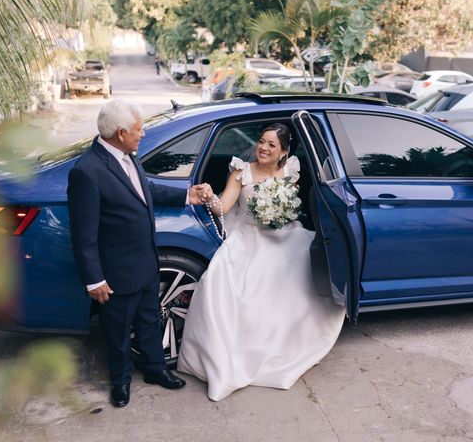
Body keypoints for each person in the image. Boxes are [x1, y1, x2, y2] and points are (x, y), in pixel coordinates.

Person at [178, 123, 346, 401]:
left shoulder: (289, 170)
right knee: (238, 284)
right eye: (261, 141)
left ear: (283, 152)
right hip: (247, 237)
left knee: (305, 266)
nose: (263, 148)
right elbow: (225, 207)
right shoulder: (241, 170)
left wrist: (279, 214)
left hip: (283, 235)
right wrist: (209, 198)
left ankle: (288, 344)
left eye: (271, 145)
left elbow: (291, 211)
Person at [67, 100, 210, 408]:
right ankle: (120, 382)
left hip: (146, 262)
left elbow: (145, 190)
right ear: (120, 133)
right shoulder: (87, 172)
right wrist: (94, 280)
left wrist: (187, 195)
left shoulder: (127, 156)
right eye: (138, 129)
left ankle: (156, 370)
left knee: (149, 320)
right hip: (117, 272)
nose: (143, 134)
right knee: (118, 332)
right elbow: (83, 234)